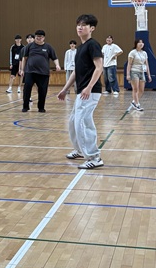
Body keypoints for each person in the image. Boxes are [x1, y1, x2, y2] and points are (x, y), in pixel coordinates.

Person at [58, 14, 104, 169]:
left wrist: (89, 87)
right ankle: (79, 150)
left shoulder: (93, 45)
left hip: (90, 91)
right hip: (81, 91)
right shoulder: (80, 48)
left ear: (92, 28)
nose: (80, 27)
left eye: (84, 25)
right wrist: (65, 89)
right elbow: (76, 72)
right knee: (73, 121)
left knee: (83, 122)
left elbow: (99, 67)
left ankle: (94, 157)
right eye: (78, 24)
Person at [19, 30, 60, 113]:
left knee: (42, 91)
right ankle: (25, 106)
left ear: (43, 38)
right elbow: (24, 58)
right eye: (37, 36)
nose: (38, 38)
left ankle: (41, 107)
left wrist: (57, 65)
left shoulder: (48, 47)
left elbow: (54, 58)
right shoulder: (29, 46)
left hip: (43, 73)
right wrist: (22, 69)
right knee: (27, 89)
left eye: (40, 37)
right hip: (30, 72)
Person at [125, 38, 150, 112]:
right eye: (139, 42)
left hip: (142, 72)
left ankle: (134, 102)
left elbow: (146, 64)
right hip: (134, 71)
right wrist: (128, 74)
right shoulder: (132, 52)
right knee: (135, 89)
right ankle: (137, 104)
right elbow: (129, 64)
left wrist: (148, 75)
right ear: (136, 44)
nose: (141, 44)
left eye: (142, 42)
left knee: (141, 90)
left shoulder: (144, 53)